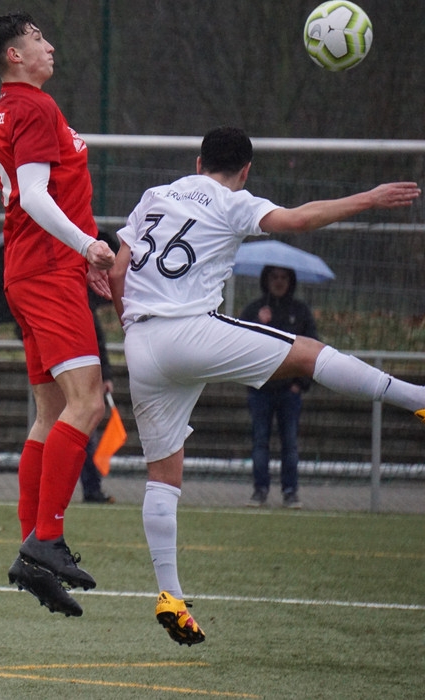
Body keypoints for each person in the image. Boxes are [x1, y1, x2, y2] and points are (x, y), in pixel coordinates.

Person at [107, 126, 422, 646]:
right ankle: (416, 399)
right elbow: (296, 220)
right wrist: (369, 197)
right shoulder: (233, 200)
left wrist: (131, 326)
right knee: (306, 354)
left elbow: (119, 274)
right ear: (246, 170)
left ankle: (170, 595)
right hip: (189, 328)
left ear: (198, 159)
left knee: (163, 476)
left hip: (140, 343)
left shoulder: (154, 197)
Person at [0, 12, 116, 618]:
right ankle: (47, 539)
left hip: (28, 270)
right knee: (87, 405)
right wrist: (87, 245)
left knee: (51, 412)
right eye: (38, 38)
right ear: (15, 54)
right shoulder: (33, 107)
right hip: (46, 271)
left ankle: (32, 553)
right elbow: (36, 195)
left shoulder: (15, 107)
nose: (50, 45)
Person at [240, 266, 318, 508]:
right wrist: (257, 323)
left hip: (289, 392)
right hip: (261, 390)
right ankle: (260, 490)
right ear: (266, 280)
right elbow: (239, 344)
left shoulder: (301, 312)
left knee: (290, 444)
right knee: (260, 442)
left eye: (284, 277)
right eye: (274, 277)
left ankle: (290, 491)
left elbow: (312, 347)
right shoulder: (254, 310)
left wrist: (300, 385)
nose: (279, 282)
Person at [80, 309, 116, 504]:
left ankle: (92, 488)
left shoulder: (84, 309)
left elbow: (98, 342)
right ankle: (91, 488)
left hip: (83, 379)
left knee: (85, 439)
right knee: (84, 438)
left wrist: (106, 374)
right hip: (76, 379)